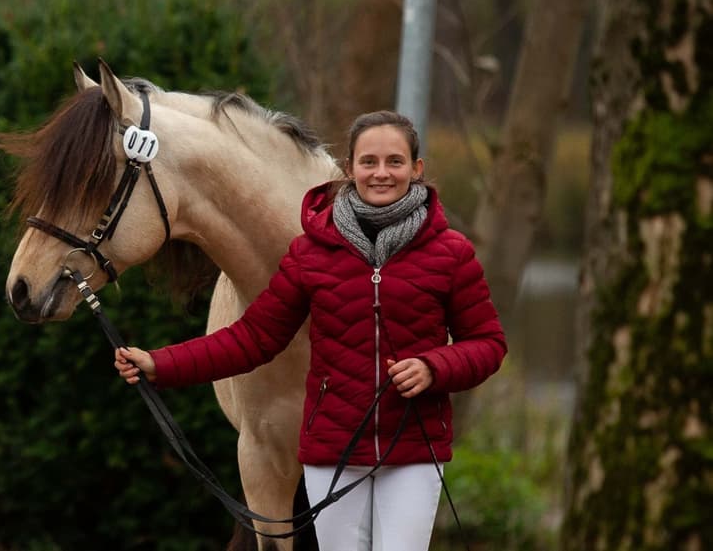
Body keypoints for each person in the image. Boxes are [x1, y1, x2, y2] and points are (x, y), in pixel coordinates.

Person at [114, 110, 506, 551]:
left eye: (395, 162)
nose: (381, 173)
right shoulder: (310, 254)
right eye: (369, 161)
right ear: (349, 169)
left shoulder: (451, 253)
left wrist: (436, 367)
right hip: (333, 454)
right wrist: (159, 363)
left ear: (416, 170)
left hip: (413, 453)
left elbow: (489, 344)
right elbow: (253, 338)